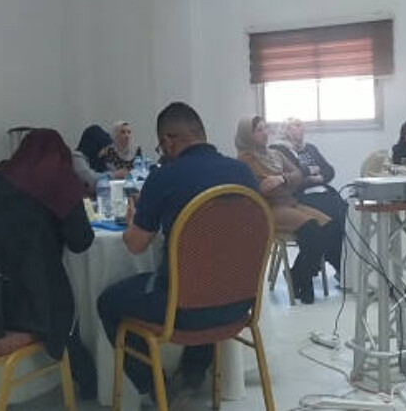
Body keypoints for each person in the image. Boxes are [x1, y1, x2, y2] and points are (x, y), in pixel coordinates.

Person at [97, 103, 259, 400]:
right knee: (207, 281)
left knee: (108, 302)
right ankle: (193, 373)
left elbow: (136, 245)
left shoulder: (164, 177)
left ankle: (157, 388)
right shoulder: (243, 173)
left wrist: (133, 222)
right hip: (240, 304)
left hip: (184, 312)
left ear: (168, 142)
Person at [0, 129, 95, 395]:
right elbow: (81, 241)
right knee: (61, 302)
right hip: (34, 308)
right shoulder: (59, 181)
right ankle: (88, 381)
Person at [237, 116, 331, 304]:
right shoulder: (245, 159)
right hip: (269, 208)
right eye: (259, 130)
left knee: (327, 227)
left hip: (289, 202)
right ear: (248, 134)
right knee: (311, 229)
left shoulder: (274, 154)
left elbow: (298, 173)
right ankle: (303, 283)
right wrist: (286, 180)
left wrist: (281, 179)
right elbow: (264, 187)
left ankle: (296, 275)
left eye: (265, 128)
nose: (265, 133)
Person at [270, 118, 347, 276]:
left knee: (344, 212)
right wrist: (308, 174)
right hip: (299, 196)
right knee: (330, 220)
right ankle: (333, 267)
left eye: (302, 125)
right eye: (297, 125)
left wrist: (319, 177)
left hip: (321, 190)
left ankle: (324, 266)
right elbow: (292, 176)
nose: (302, 128)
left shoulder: (310, 148)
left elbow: (329, 170)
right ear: (286, 130)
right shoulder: (278, 150)